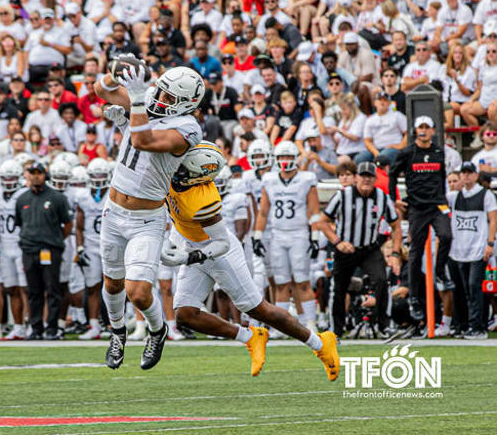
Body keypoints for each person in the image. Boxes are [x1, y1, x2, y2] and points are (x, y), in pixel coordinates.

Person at [160, 141, 339, 380]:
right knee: (185, 313)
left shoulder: (204, 200)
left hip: (217, 252)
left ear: (197, 175)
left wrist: (190, 256)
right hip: (191, 245)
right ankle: (250, 337)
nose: (177, 169)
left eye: (184, 168)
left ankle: (320, 343)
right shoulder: (173, 170)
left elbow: (221, 243)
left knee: (259, 309)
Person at [94, 64, 203, 371]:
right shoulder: (150, 98)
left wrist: (138, 100)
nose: (161, 98)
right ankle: (117, 332)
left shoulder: (187, 128)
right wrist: (116, 71)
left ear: (185, 102)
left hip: (146, 218)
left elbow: (143, 141)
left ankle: (157, 330)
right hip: (113, 211)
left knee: (138, 292)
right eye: (162, 90)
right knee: (112, 284)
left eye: (169, 95)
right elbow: (101, 91)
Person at [318, 161, 402, 338]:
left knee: (381, 280)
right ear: (356, 178)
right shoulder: (343, 196)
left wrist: (395, 253)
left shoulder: (382, 197)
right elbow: (323, 222)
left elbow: (396, 226)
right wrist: (337, 241)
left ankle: (384, 326)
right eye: (363, 176)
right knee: (338, 287)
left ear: (374, 179)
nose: (366, 180)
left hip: (369, 248)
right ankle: (336, 329)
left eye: (370, 176)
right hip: (345, 248)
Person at [389, 116, 453, 322]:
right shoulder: (407, 153)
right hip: (417, 207)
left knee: (446, 235)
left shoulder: (438, 152)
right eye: (420, 127)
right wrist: (395, 200)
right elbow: (392, 174)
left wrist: (442, 198)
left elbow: (442, 177)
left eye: (427, 127)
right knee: (415, 253)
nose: (424, 131)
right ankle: (415, 298)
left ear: (433, 130)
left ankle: (440, 271)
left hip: (437, 205)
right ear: (415, 130)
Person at [253, 141, 321, 332]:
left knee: (302, 281)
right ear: (276, 159)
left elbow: (313, 211)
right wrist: (257, 236)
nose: (285, 161)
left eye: (289, 157)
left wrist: (314, 237)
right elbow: (263, 212)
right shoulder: (269, 179)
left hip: (299, 234)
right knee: (281, 283)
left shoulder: (307, 179)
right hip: (277, 236)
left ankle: (310, 323)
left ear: (295, 159)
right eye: (282, 157)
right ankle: (280, 327)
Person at [15, 162, 72, 340]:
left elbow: (68, 225)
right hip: (29, 249)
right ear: (28, 175)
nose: (36, 176)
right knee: (33, 290)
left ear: (44, 174)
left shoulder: (57, 198)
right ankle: (36, 328)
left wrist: (54, 240)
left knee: (52, 289)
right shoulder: (22, 199)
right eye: (32, 173)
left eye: (39, 173)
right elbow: (20, 223)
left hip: (50, 249)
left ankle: (52, 328)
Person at [446, 161, 497, 340]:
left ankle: (478, 326)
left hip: (478, 249)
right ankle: (462, 324)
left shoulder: (486, 195)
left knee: (474, 287)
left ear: (476, 175)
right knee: (460, 289)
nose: (466, 176)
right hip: (459, 250)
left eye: (469, 173)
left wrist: (490, 244)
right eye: (463, 173)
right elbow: (436, 203)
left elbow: (493, 219)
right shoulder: (454, 197)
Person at [73, 158, 112, 340]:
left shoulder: (113, 193)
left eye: (101, 175)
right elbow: (78, 226)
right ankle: (94, 325)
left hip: (110, 244)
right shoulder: (82, 196)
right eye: (94, 175)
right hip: (90, 245)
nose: (97, 179)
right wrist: (79, 248)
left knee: (114, 286)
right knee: (92, 286)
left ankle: (115, 324)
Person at [0, 159, 28, 341]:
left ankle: (30, 324)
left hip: (21, 245)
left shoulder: (24, 193)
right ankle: (18, 326)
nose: (8, 181)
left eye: (11, 177)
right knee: (11, 288)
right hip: (5, 246)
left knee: (26, 288)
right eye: (5, 178)